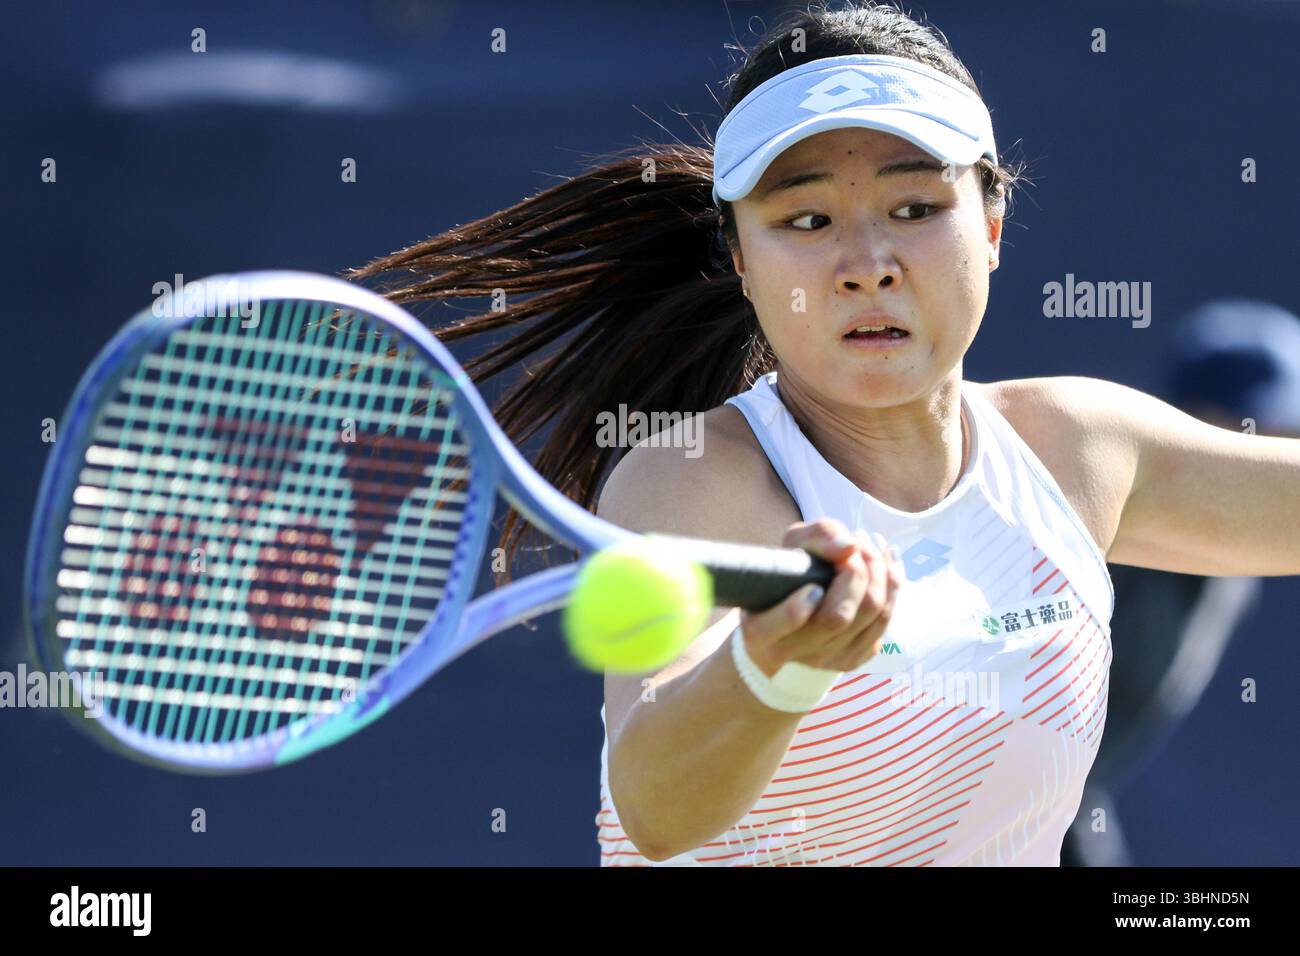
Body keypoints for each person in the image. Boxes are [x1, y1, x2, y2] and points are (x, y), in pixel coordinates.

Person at [349, 2, 1300, 866]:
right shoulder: (691, 484)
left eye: (915, 208)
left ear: (994, 224)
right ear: (741, 260)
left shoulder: (1078, 447)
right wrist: (773, 667)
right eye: (806, 219)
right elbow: (658, 811)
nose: (866, 264)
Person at [1061, 300, 1300, 866]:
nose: (1274, 458)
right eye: (1253, 431)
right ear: (1183, 428)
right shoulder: (1093, 542)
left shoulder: (1234, 571)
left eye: (1290, 438)